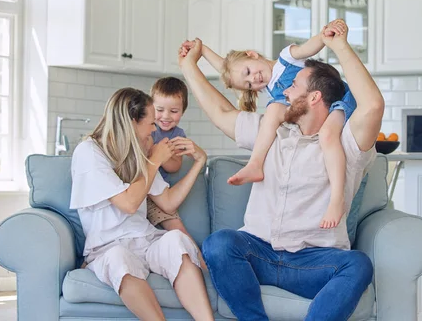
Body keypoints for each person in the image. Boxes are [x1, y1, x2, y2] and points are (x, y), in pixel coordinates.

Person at [177, 20, 385, 321]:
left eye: (293, 85)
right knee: (219, 243)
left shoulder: (347, 143)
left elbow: (373, 105)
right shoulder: (272, 129)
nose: (283, 90)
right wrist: (189, 66)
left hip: (313, 261)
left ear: (314, 97)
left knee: (358, 265)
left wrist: (340, 46)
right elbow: (221, 112)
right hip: (259, 251)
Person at [182, 19, 353, 229]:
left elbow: (309, 46)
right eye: (248, 85)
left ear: (253, 54)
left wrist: (324, 35)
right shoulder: (274, 91)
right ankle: (255, 163)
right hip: (316, 106)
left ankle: (337, 200)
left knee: (328, 135)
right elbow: (230, 69)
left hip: (339, 98)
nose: (253, 80)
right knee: (273, 110)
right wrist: (201, 52)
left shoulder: (286, 59)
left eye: (249, 73)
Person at [69, 87, 214, 321]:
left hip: (145, 241)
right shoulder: (89, 152)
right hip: (108, 246)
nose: (155, 129)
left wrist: (199, 163)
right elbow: (128, 203)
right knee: (118, 258)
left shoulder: (139, 152)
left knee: (177, 240)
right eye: (151, 122)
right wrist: (155, 160)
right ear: (132, 122)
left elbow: (167, 203)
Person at [147, 76, 206, 268]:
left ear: (182, 111)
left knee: (178, 229)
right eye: (159, 110)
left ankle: (204, 267)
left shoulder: (178, 135)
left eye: (174, 111)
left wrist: (161, 155)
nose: (165, 116)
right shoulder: (145, 128)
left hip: (158, 195)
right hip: (141, 189)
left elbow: (174, 166)